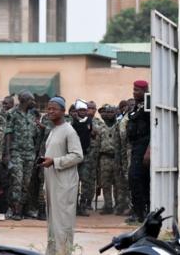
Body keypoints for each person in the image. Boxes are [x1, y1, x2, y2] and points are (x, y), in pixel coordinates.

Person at [40, 97, 83, 255]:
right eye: (48, 108)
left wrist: (55, 161)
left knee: (63, 222)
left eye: (54, 109)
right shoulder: (53, 130)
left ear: (63, 111)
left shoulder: (69, 131)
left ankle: (64, 252)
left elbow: (78, 155)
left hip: (64, 184)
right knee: (53, 223)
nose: (50, 111)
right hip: (53, 182)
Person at [5, 91, 37, 220]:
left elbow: (34, 134)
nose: (34, 103)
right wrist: (7, 153)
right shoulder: (12, 114)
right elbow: (8, 133)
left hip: (29, 153)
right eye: (32, 100)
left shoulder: (31, 114)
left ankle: (23, 209)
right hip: (16, 152)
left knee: (26, 182)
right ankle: (15, 209)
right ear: (24, 100)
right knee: (17, 181)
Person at [126, 80, 151, 223]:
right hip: (135, 145)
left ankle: (142, 211)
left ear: (145, 91)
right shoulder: (136, 106)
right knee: (137, 178)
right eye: (134, 90)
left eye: (137, 90)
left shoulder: (149, 105)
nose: (134, 92)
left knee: (136, 177)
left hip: (144, 145)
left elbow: (154, 128)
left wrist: (149, 150)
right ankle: (139, 212)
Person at [97, 104, 127, 215]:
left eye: (112, 112)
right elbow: (97, 144)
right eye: (108, 112)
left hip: (116, 157)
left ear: (115, 113)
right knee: (105, 183)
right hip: (104, 158)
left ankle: (119, 206)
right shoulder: (101, 127)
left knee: (119, 184)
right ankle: (108, 205)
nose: (109, 114)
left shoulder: (119, 126)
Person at [72, 99, 93, 217]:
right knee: (74, 182)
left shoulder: (89, 121)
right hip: (74, 155)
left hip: (85, 155)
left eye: (85, 110)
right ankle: (73, 207)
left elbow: (91, 132)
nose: (83, 112)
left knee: (85, 182)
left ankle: (83, 206)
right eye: (81, 110)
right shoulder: (73, 122)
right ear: (77, 111)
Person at [85, 101, 105, 211]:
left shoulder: (98, 122)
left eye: (92, 108)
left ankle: (89, 201)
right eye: (88, 108)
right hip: (84, 154)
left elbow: (101, 132)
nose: (90, 110)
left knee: (92, 180)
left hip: (95, 155)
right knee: (83, 179)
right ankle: (81, 201)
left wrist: (92, 128)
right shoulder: (81, 120)